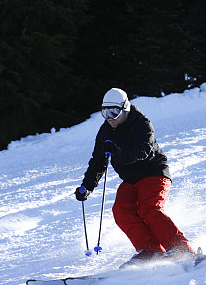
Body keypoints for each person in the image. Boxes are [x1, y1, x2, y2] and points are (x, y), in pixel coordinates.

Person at [75, 88, 194, 266]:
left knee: (150, 209)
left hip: (153, 173)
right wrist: (88, 186)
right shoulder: (105, 131)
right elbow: (98, 161)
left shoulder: (142, 124)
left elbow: (143, 151)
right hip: (131, 179)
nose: (109, 117)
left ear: (125, 108)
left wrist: (118, 151)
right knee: (121, 210)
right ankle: (150, 249)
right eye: (105, 112)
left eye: (114, 112)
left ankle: (180, 248)